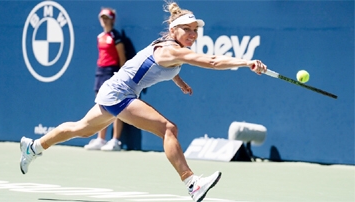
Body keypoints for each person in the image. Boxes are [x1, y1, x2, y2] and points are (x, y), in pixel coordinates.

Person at [19, 1, 267, 201]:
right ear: (173, 31)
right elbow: (211, 61)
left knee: (80, 129)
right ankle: (193, 184)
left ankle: (34, 147)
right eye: (187, 30)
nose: (192, 34)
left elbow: (165, 67)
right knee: (168, 128)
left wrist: (179, 82)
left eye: (195, 30)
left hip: (115, 91)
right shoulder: (171, 50)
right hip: (120, 93)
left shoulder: (171, 49)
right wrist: (246, 62)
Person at [84, 7, 127, 151]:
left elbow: (122, 58)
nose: (104, 20)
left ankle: (115, 141)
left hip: (113, 72)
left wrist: (122, 76)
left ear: (112, 20)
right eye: (102, 18)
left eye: (107, 18)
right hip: (100, 72)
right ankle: (101, 139)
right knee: (101, 106)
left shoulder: (116, 37)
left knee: (116, 106)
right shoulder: (99, 37)